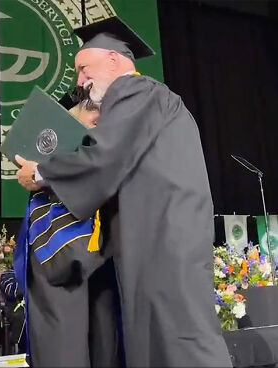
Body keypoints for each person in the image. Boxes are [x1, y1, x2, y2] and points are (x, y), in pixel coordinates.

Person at [14, 16, 231, 366]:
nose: (80, 81)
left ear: (114, 60)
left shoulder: (136, 90)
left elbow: (105, 153)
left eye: (84, 69)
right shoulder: (148, 101)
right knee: (161, 335)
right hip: (156, 237)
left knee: (182, 336)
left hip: (165, 238)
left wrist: (41, 172)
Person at [14, 96, 120, 368]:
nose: (99, 125)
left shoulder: (104, 158)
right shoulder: (61, 170)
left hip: (94, 253)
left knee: (102, 334)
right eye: (93, 118)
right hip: (74, 255)